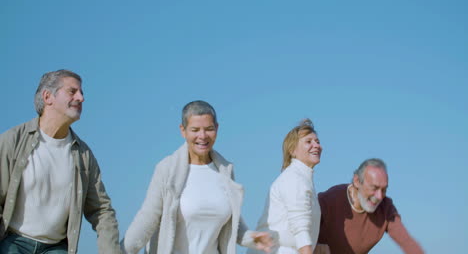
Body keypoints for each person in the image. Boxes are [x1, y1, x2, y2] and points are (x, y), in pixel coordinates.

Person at [120, 100, 272, 254]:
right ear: (183, 130)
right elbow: (147, 220)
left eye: (209, 129)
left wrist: (252, 238)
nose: (202, 136)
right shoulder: (167, 169)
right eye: (195, 129)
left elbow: (231, 223)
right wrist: (119, 251)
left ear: (217, 129)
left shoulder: (225, 170)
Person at [0, 70, 120, 253]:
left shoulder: (84, 155)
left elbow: (102, 210)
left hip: (55, 248)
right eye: (72, 91)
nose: (81, 98)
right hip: (13, 242)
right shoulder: (12, 140)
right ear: (48, 97)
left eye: (81, 93)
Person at [315, 158, 424, 254]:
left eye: (384, 189)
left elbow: (406, 241)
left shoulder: (386, 208)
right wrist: (314, 245)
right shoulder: (329, 200)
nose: (379, 196)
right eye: (374, 188)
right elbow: (299, 229)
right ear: (357, 181)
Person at [248, 119, 322, 254]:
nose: (316, 145)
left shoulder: (302, 179)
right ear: (292, 150)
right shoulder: (294, 179)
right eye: (308, 141)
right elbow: (300, 228)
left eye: (317, 141)